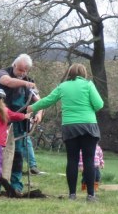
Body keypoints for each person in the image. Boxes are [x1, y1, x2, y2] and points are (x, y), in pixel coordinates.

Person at [27, 63, 104, 202]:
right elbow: (99, 105)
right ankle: (91, 195)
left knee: (72, 160)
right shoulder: (88, 85)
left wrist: (30, 108)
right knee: (88, 160)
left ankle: (72, 195)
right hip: (88, 126)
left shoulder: (62, 86)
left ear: (70, 73)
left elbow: (47, 101)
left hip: (70, 127)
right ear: (84, 74)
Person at [0, 54, 42, 195]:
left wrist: (39, 113)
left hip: (20, 124)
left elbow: (39, 101)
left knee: (18, 155)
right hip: (1, 121)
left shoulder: (29, 81)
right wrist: (26, 83)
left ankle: (16, 186)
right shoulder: (2, 73)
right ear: (14, 65)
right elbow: (8, 82)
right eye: (20, 70)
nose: (23, 74)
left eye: (25, 71)